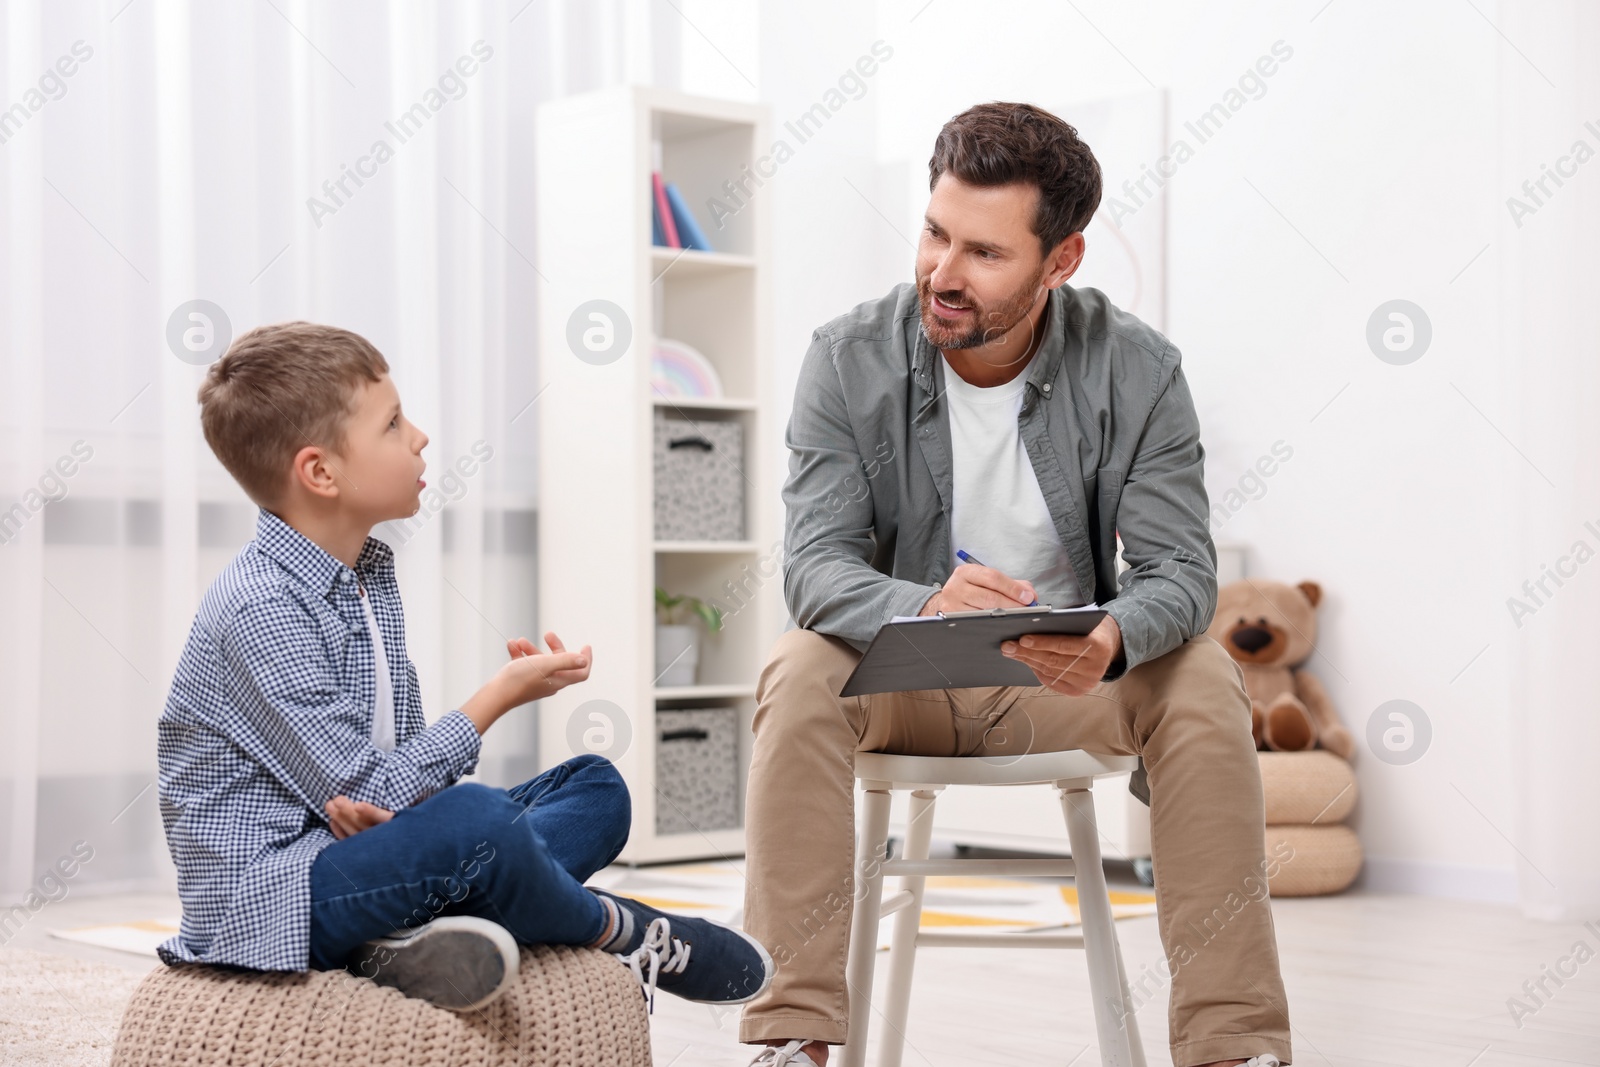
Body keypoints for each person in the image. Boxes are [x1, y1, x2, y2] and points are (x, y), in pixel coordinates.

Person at [742, 103, 1291, 1067]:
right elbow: (814, 567)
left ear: (1061, 261)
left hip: (1064, 692)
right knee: (795, 666)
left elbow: (1181, 572)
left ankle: (1232, 1048)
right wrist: (923, 606)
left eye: (985, 254)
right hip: (903, 682)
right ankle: (793, 1039)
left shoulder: (1140, 367)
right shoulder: (846, 357)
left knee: (1201, 675)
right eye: (934, 233)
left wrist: (1112, 637)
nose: (943, 274)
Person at [157, 321, 772, 1013]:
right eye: (392, 424)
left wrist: (406, 816)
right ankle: (615, 925)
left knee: (595, 786)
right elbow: (377, 789)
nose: (419, 436)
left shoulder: (365, 577)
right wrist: (497, 696)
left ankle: (405, 936)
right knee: (478, 820)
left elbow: (391, 800)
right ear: (320, 471)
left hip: (367, 858)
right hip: (285, 895)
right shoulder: (261, 606)